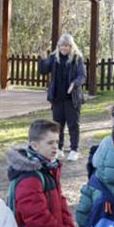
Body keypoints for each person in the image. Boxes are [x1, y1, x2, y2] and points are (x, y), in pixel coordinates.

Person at [38, 34, 87, 162]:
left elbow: (82, 76)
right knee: (57, 125)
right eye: (61, 45)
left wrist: (74, 84)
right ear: (58, 46)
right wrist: (42, 58)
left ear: (71, 46)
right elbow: (43, 70)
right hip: (57, 98)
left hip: (72, 98)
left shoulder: (77, 58)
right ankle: (58, 149)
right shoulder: (54, 57)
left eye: (66, 46)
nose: (64, 48)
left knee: (73, 125)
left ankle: (74, 150)